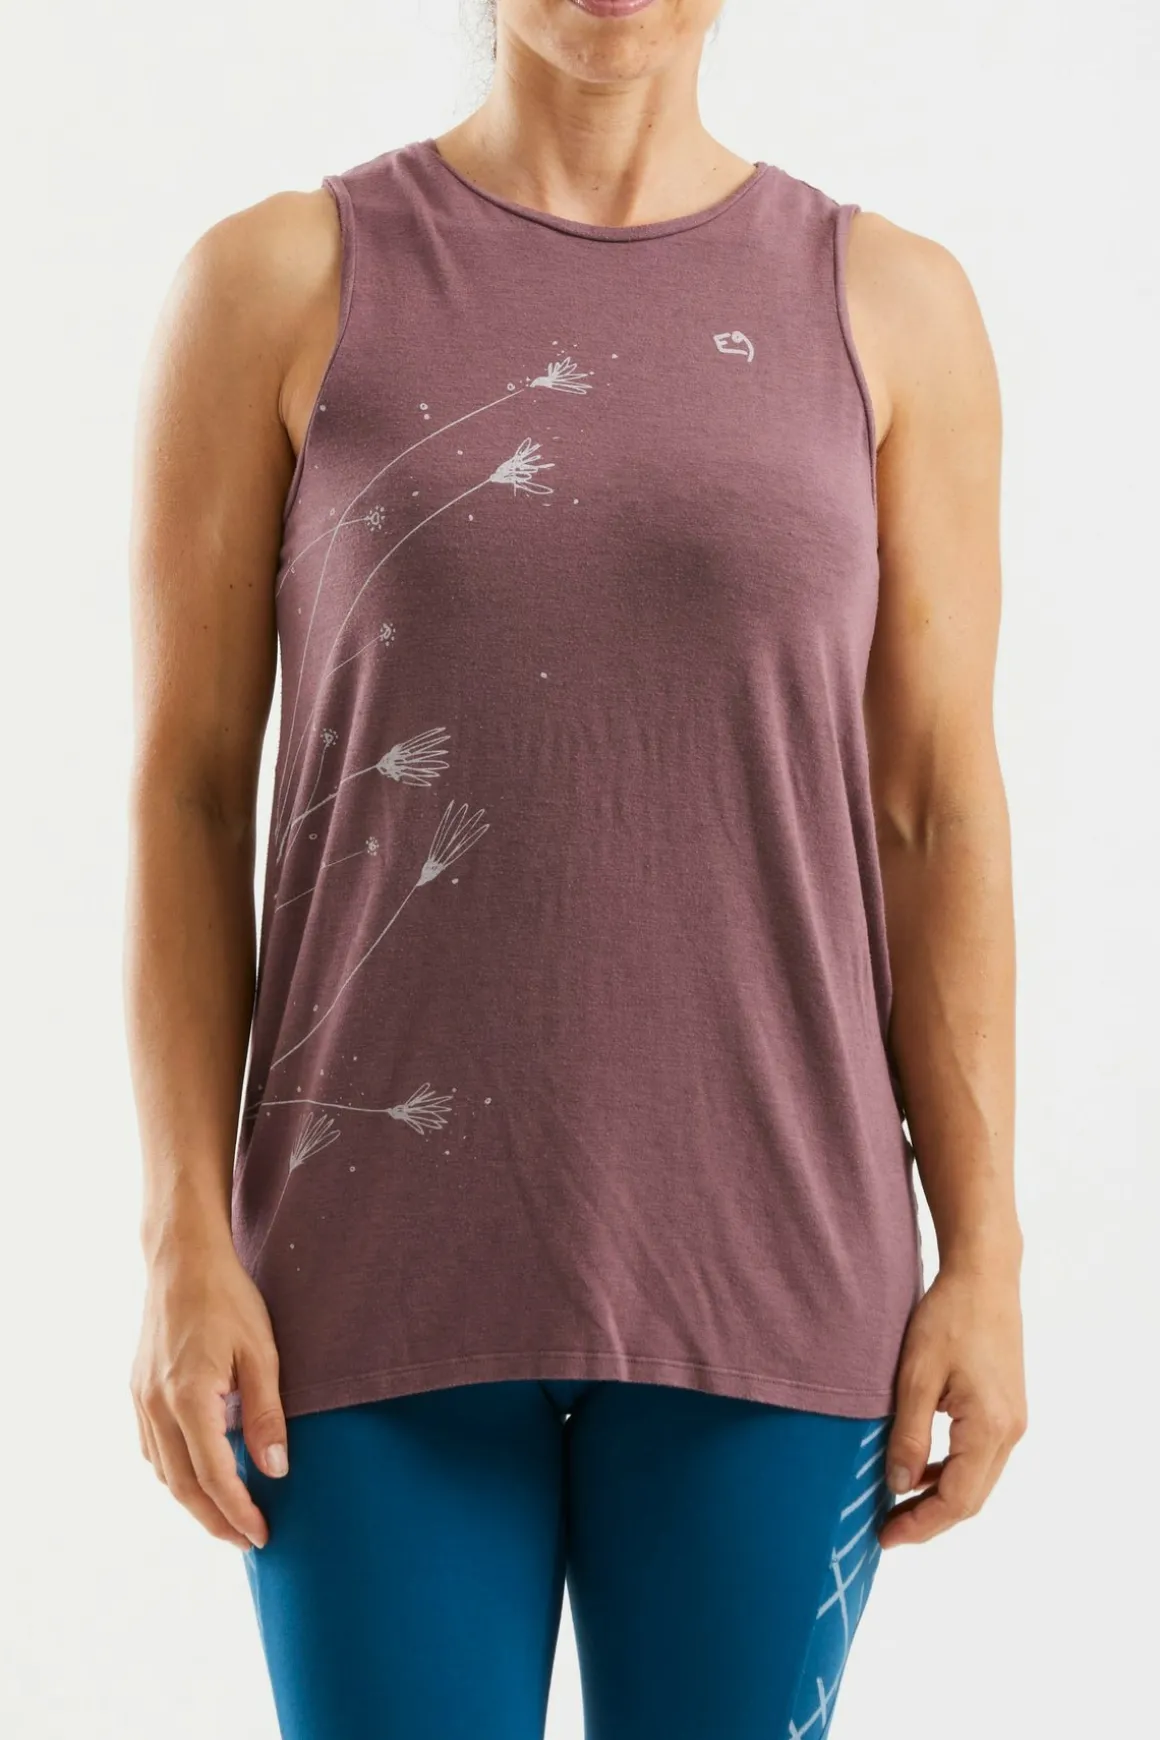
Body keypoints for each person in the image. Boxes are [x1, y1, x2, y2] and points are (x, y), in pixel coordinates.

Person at [124, 2, 1027, 1735]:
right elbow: (187, 795)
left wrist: (985, 1254)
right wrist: (180, 1230)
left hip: (776, 1263)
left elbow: (935, 807)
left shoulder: (891, 305)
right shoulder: (278, 284)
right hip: (356, 1283)